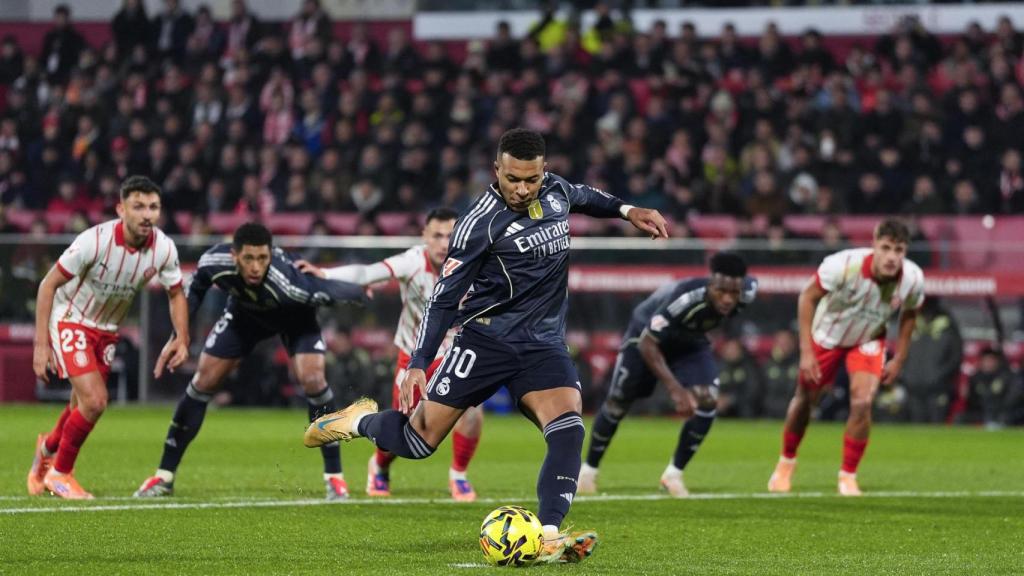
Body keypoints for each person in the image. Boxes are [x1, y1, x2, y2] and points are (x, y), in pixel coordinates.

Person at [305, 128, 668, 563]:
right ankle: (361, 421)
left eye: (530, 179)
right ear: (497, 169)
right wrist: (420, 361)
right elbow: (442, 298)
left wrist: (629, 210)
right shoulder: (478, 224)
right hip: (485, 340)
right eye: (513, 178)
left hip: (542, 345)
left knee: (569, 428)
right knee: (418, 443)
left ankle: (548, 534)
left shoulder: (554, 191)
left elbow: (586, 197)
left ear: (543, 172)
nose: (522, 188)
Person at [133, 223, 365, 500]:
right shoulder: (214, 261)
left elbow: (335, 292)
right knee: (203, 379)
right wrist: (180, 336)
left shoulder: (290, 283)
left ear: (270, 255)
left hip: (295, 317)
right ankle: (163, 477)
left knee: (313, 379)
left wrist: (359, 291)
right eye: (249, 259)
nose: (256, 267)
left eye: (262, 259)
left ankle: (334, 478)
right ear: (234, 256)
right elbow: (193, 291)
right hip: (245, 316)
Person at [297, 207, 485, 501]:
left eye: (450, 235)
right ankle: (380, 466)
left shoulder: (475, 262)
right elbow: (367, 273)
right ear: (424, 236)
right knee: (404, 431)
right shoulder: (413, 260)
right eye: (437, 235)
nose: (443, 243)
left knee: (473, 413)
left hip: (456, 356)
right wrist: (325, 273)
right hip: (415, 359)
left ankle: (459, 475)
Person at [27, 175, 189, 499]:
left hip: (106, 331)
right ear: (121, 208)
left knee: (80, 406)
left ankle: (45, 451)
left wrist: (182, 338)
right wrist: (40, 346)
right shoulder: (94, 241)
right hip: (71, 318)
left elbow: (175, 293)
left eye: (153, 207)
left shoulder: (164, 248)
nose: (147, 214)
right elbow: (47, 285)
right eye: (138, 206)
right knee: (96, 401)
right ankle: (60, 473)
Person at [578, 253, 756, 498]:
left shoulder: (748, 291)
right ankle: (588, 472)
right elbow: (648, 344)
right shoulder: (684, 299)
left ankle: (673, 475)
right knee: (618, 402)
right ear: (710, 283)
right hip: (644, 336)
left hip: (690, 341)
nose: (727, 299)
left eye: (733, 293)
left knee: (707, 401)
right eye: (721, 291)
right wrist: (676, 389)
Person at [767, 219, 924, 496]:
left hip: (868, 338)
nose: (891, 257)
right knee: (806, 400)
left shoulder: (912, 278)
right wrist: (805, 351)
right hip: (826, 337)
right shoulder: (843, 265)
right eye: (886, 248)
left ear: (905, 251)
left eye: (898, 250)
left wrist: (900, 357)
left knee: (863, 402)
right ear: (874, 245)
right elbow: (807, 297)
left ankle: (848, 476)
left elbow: (911, 313)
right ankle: (785, 464)